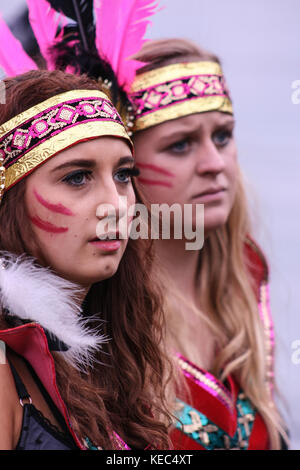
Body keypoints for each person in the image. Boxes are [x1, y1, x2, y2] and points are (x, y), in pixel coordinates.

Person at [0, 69, 171, 450]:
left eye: (124, 175)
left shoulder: (117, 357)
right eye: (78, 177)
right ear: (8, 203)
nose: (115, 205)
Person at [129, 38, 287, 450]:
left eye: (222, 136)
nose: (214, 163)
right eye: (180, 144)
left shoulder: (246, 274)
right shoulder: (94, 310)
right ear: (124, 168)